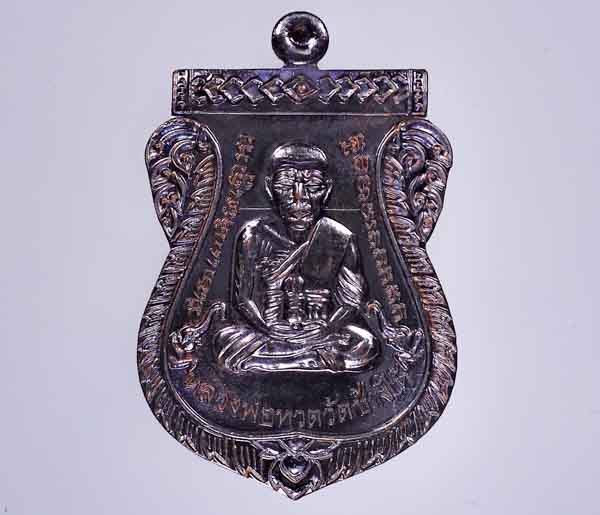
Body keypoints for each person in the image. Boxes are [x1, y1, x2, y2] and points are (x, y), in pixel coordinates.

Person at [214, 142, 379, 373]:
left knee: (366, 344)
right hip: (269, 331)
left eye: (312, 186)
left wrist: (325, 328)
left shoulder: (339, 237)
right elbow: (243, 300)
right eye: (285, 185)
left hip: (320, 331)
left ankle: (278, 362)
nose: (299, 198)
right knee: (224, 339)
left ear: (327, 190)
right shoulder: (254, 235)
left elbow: (350, 303)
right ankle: (307, 360)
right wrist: (269, 328)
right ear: (270, 188)